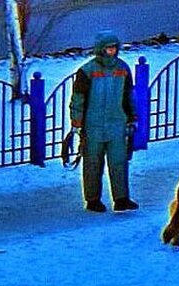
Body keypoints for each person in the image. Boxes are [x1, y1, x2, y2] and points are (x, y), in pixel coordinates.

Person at [70, 30, 139, 213]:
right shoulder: (86, 71)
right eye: (109, 48)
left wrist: (133, 117)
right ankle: (93, 200)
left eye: (115, 48)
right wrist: (77, 123)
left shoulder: (123, 69)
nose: (112, 52)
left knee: (119, 162)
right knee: (93, 163)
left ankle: (121, 199)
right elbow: (78, 99)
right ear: (101, 49)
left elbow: (128, 96)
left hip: (117, 123)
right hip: (93, 126)